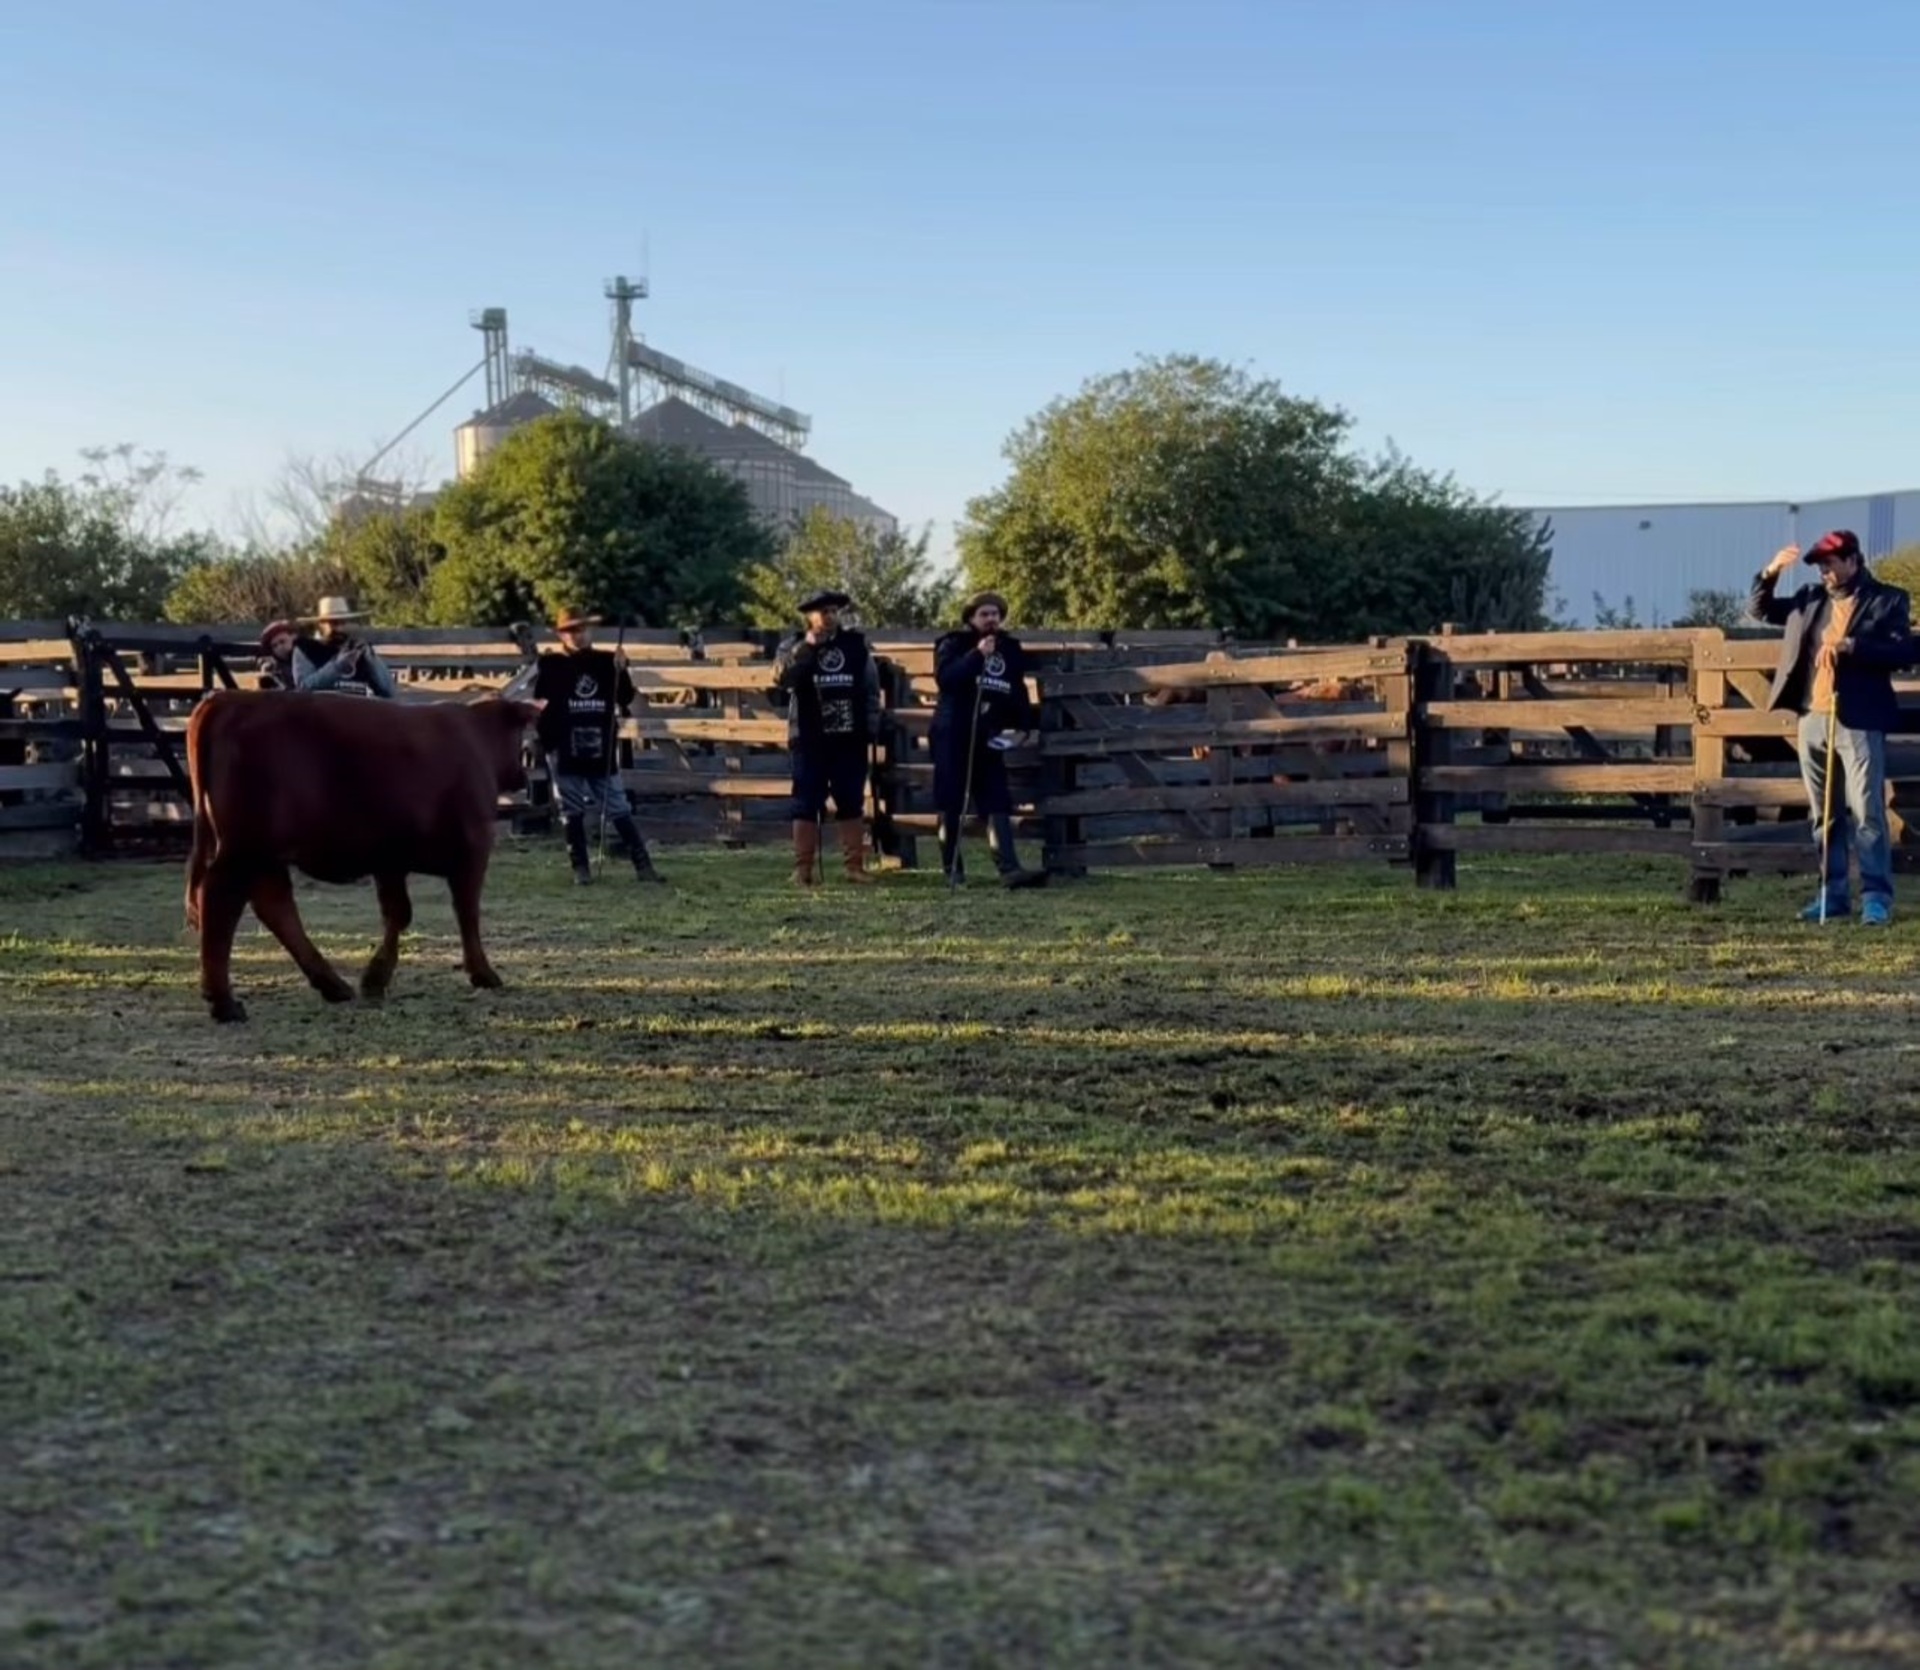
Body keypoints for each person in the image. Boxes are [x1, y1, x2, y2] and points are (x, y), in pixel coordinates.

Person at [1749, 529, 1914, 924]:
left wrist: (1853, 647)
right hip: (1812, 717)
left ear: (1853, 560)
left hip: (1859, 720)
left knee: (1867, 811)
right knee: (1824, 814)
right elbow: (1759, 610)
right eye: (1820, 565)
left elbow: (1905, 651)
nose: (1824, 571)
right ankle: (1832, 894)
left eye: (1830, 564)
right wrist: (1770, 572)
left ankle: (1876, 897)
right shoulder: (1809, 599)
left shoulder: (1887, 599)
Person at [530, 609, 663, 886]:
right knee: (571, 808)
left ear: (590, 631)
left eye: (582, 629)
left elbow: (624, 696)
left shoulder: (606, 662)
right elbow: (540, 705)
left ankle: (643, 866)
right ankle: (580, 868)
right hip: (565, 746)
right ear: (561, 634)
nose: (578, 635)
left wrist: (622, 669)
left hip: (600, 744)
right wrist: (550, 743)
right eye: (571, 631)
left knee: (617, 805)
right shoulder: (551, 665)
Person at [932, 591, 1047, 887]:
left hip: (989, 735)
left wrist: (1022, 727)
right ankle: (953, 872)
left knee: (996, 798)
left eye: (995, 614)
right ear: (971, 618)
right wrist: (977, 655)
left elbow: (1017, 690)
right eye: (984, 614)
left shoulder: (1009, 648)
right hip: (953, 732)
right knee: (951, 800)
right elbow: (947, 679)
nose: (991, 619)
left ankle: (1009, 869)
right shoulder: (953, 643)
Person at [771, 588, 881, 886]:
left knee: (851, 799)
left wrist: (871, 727)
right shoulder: (792, 645)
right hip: (809, 734)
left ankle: (854, 866)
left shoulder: (856, 645)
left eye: (834, 611)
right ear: (810, 616)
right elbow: (781, 679)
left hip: (849, 734)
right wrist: (805, 650)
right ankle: (803, 868)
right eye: (823, 612)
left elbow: (871, 689)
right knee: (806, 800)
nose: (829, 616)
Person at [292, 597, 397, 698]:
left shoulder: (357, 648)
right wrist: (337, 667)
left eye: (343, 623)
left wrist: (370, 659)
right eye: (333, 623)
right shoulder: (306, 649)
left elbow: (389, 691)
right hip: (322, 712)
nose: (339, 628)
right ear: (321, 624)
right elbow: (303, 689)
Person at [256, 620, 297, 689]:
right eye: (274, 646)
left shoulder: (309, 657)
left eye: (282, 641)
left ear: (293, 637)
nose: (280, 647)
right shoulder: (274, 669)